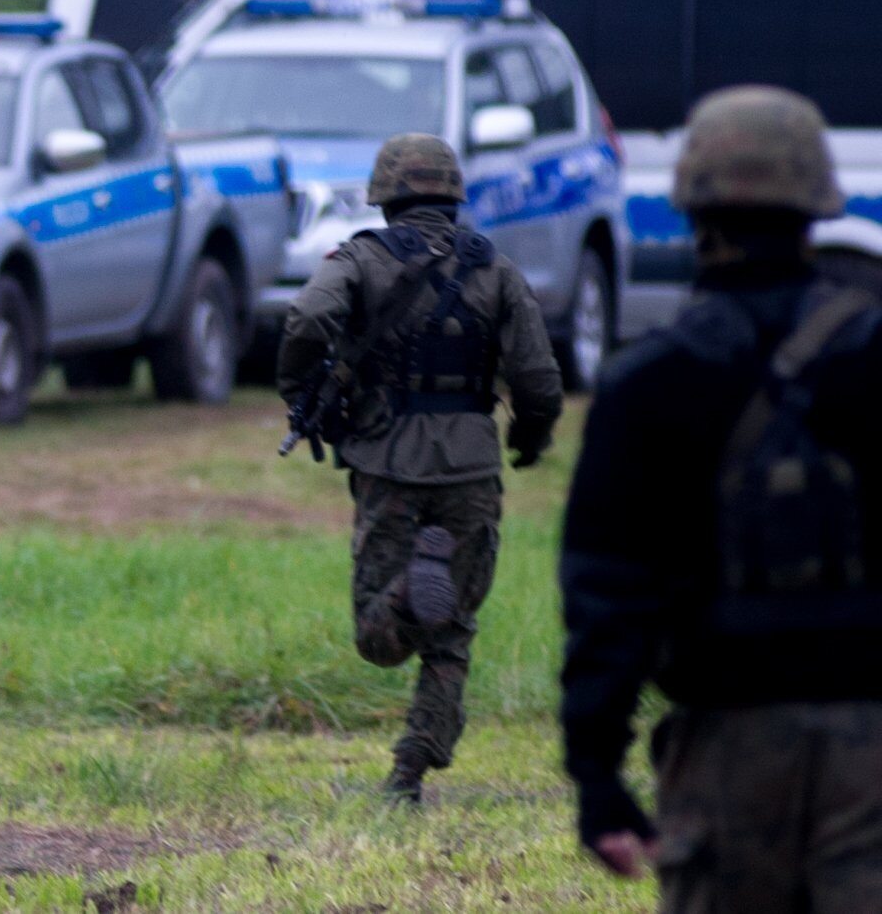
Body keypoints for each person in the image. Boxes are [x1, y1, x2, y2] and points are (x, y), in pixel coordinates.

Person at [560, 85, 882, 911]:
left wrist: (597, 774)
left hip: (728, 744)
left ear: (691, 206)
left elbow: (607, 596)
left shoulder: (649, 384)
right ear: (817, 205)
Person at [278, 133, 562, 803]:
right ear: (453, 194)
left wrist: (299, 393)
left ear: (385, 195)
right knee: (453, 632)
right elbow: (540, 376)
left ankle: (407, 591)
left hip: (387, 461)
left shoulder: (359, 258)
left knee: (377, 639)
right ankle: (408, 773)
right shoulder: (497, 270)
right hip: (470, 463)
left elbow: (305, 317)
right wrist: (528, 436)